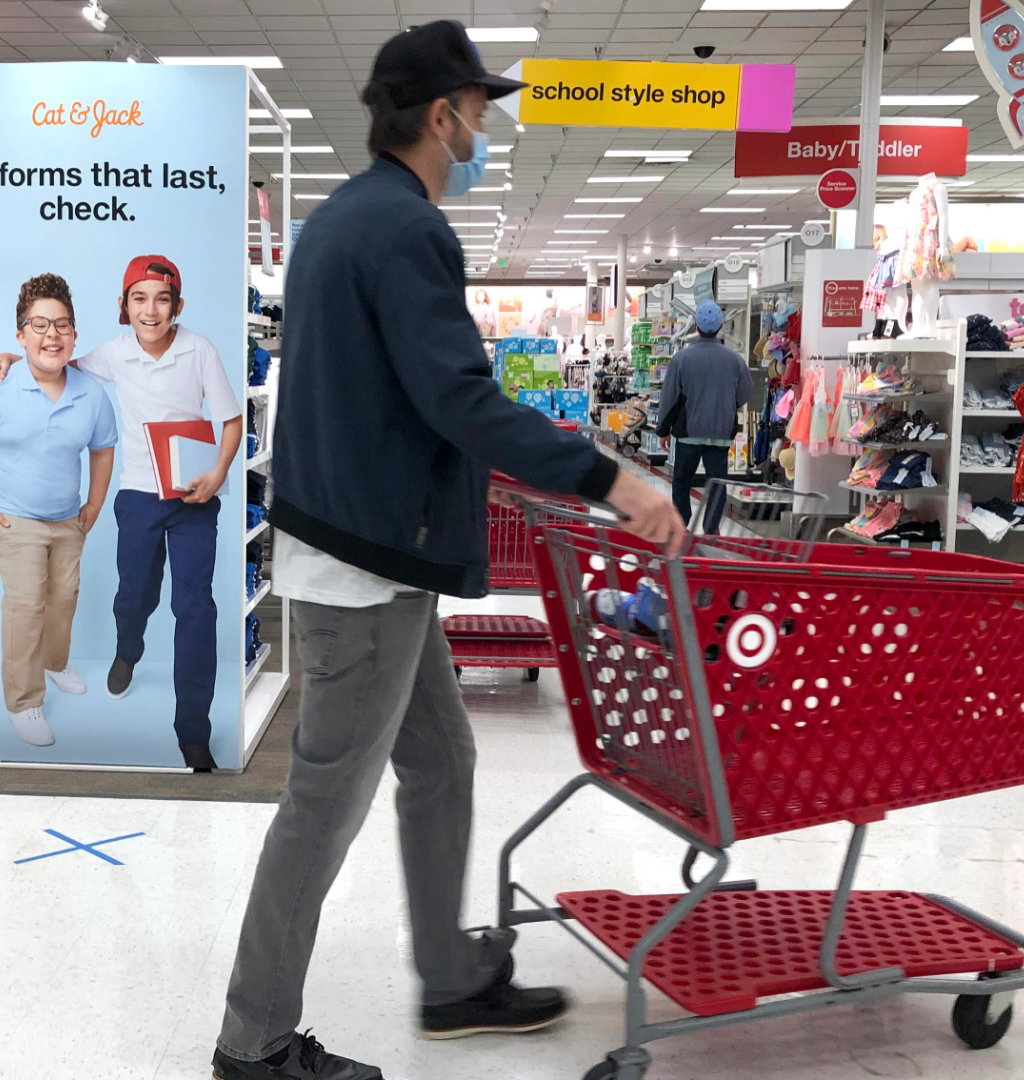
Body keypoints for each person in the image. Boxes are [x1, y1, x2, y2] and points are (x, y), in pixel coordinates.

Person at [209, 21, 684, 1080]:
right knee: (322, 809)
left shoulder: (343, 218)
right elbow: (460, 400)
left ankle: (453, 979)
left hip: (371, 552)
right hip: (365, 567)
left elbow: (398, 398)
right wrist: (613, 481)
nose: (483, 129)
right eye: (479, 111)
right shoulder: (405, 230)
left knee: (442, 759)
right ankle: (252, 1046)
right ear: (441, 115)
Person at [0, 255, 243, 771]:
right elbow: (58, 364)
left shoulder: (200, 351)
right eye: (140, 299)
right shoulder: (114, 355)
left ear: (178, 306)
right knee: (134, 596)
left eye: (162, 299)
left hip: (194, 499)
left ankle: (193, 732)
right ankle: (128, 649)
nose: (151, 310)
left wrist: (216, 473)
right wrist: (12, 357)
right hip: (139, 498)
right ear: (123, 307)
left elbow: (230, 422)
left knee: (195, 608)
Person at [0, 274, 117, 747]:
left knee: (63, 599)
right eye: (38, 325)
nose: (52, 335)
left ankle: (56, 663)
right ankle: (24, 702)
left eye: (62, 325)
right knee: (25, 606)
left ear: (75, 335)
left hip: (66, 519)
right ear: (19, 335)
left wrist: (95, 504)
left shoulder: (91, 393)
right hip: (11, 517)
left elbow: (103, 449)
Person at [655, 299, 750, 535]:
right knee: (717, 484)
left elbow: (669, 398)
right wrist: (727, 406)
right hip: (720, 433)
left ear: (695, 326)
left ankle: (681, 523)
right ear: (720, 327)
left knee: (682, 481)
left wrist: (663, 430)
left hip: (689, 432)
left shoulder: (681, 359)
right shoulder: (736, 361)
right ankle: (711, 528)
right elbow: (744, 394)